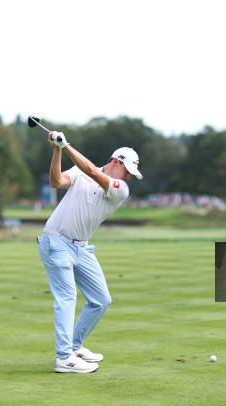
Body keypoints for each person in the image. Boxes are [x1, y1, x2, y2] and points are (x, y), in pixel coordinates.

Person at [38, 130, 142, 374]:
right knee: (67, 296)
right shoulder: (79, 172)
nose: (128, 177)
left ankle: (74, 346)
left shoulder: (120, 189)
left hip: (81, 247)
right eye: (127, 171)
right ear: (116, 161)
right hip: (56, 241)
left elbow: (93, 173)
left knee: (101, 300)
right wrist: (57, 151)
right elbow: (56, 182)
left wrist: (66, 146)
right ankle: (64, 357)